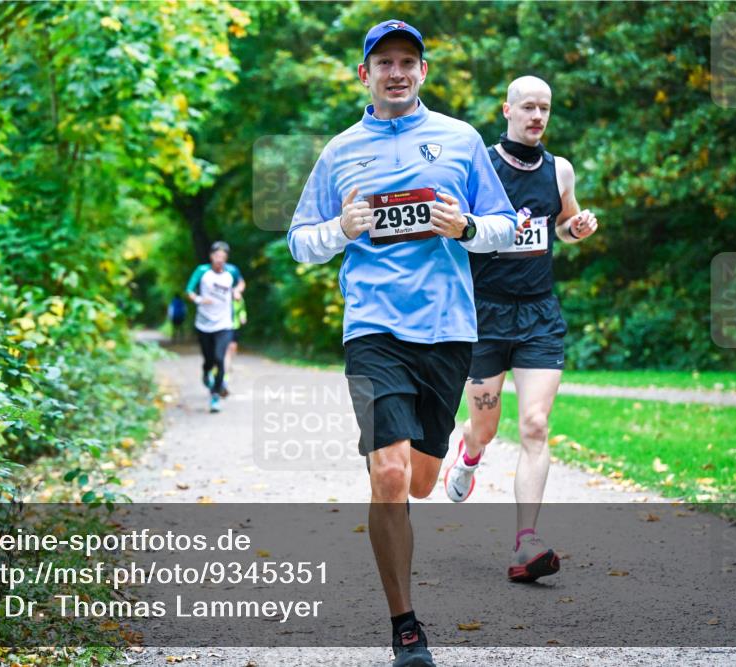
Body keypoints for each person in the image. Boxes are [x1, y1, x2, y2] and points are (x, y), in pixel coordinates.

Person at [288, 20, 517, 667]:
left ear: (422, 72)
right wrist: (340, 227)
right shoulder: (340, 151)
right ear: (365, 74)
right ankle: (406, 626)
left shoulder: (460, 140)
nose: (396, 72)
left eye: (407, 62)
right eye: (384, 62)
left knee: (418, 481)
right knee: (388, 474)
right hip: (373, 328)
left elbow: (505, 226)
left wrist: (466, 225)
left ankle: (434, 457)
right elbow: (300, 241)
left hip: (447, 328)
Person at [444, 76, 598, 583]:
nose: (537, 116)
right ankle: (469, 454)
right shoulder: (481, 165)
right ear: (507, 109)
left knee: (535, 424)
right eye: (528, 107)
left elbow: (562, 224)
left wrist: (575, 229)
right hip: (484, 316)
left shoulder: (560, 169)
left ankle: (526, 541)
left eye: (544, 108)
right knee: (485, 428)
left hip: (538, 316)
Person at [185, 241, 245, 413]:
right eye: (217, 256)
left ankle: (215, 395)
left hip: (224, 323)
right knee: (209, 360)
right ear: (211, 256)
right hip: (204, 323)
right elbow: (189, 290)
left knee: (220, 358)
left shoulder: (232, 271)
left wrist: (237, 291)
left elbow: (241, 283)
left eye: (223, 256)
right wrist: (199, 299)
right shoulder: (202, 271)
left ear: (226, 258)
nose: (220, 259)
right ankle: (206, 372)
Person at [224, 293, 247, 381]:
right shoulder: (227, 299)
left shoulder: (241, 301)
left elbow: (242, 310)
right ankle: (226, 367)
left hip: (235, 327)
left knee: (233, 348)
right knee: (227, 347)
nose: (238, 295)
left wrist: (243, 317)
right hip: (226, 327)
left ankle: (229, 362)